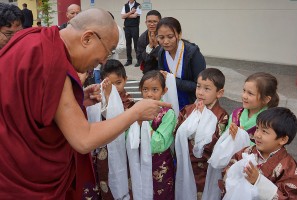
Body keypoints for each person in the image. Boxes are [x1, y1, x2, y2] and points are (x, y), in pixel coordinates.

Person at [0, 8, 171, 199]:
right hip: (26, 180)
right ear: (87, 38)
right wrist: (135, 113)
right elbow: (83, 140)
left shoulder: (30, 40)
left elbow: (31, 100)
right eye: (108, 50)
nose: (104, 60)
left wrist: (77, 99)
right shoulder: (53, 64)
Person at [222, 107, 297, 199]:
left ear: (283, 139)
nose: (257, 135)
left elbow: (291, 197)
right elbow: (228, 171)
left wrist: (258, 181)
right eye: (257, 128)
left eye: (264, 131)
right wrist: (235, 172)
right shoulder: (247, 151)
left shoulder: (288, 166)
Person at [175, 68, 229, 199]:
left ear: (219, 93)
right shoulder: (188, 110)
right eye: (198, 87)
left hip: (205, 167)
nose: (200, 92)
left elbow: (217, 143)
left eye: (207, 89)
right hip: (186, 163)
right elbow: (176, 132)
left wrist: (204, 120)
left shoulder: (221, 115)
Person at [128, 70, 176, 199]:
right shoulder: (136, 109)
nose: (149, 94)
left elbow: (159, 143)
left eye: (155, 90)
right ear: (140, 90)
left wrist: (140, 123)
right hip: (138, 160)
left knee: (161, 193)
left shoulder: (168, 114)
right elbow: (126, 134)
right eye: (145, 89)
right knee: (140, 191)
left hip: (160, 165)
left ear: (164, 91)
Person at [92, 59, 135, 199]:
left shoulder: (129, 101)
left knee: (123, 180)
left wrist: (111, 97)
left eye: (119, 83)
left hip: (122, 150)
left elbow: (124, 121)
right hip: (103, 152)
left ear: (125, 80)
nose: (115, 88)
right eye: (111, 84)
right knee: (104, 181)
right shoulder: (99, 98)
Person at [157, 17, 206, 110]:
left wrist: (172, 80)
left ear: (179, 35)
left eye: (170, 37)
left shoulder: (192, 53)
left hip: (191, 103)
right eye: (161, 37)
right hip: (170, 99)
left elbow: (200, 85)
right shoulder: (162, 53)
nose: (165, 42)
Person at [226, 72, 279, 143]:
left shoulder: (270, 123)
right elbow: (224, 136)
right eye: (244, 91)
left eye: (250, 93)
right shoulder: (236, 114)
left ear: (266, 99)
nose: (244, 96)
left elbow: (267, 147)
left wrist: (240, 138)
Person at [94, 12, 126, 84]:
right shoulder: (95, 29)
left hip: (112, 64)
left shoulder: (117, 30)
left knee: (112, 86)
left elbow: (122, 46)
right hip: (97, 65)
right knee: (99, 85)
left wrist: (110, 51)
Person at [136, 10, 162, 74]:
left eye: (155, 22)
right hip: (148, 72)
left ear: (160, 22)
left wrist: (156, 46)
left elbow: (167, 58)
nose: (152, 24)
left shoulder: (165, 36)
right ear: (146, 22)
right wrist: (150, 46)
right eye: (149, 21)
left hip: (163, 70)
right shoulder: (142, 38)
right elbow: (140, 60)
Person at [121, 0, 142, 67]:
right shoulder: (125, 5)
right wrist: (131, 12)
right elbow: (122, 16)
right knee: (128, 44)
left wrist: (126, 15)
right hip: (127, 27)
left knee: (136, 44)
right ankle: (129, 60)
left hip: (135, 27)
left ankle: (139, 60)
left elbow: (135, 16)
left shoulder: (139, 5)